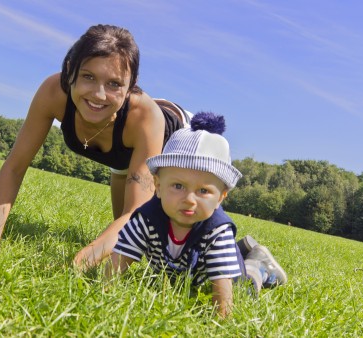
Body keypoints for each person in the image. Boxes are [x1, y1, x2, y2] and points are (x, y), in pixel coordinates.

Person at [0, 24, 190, 269]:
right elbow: (14, 167)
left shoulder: (145, 119)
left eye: (114, 84)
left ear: (131, 85)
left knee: (173, 251)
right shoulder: (53, 92)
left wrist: (77, 265)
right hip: (125, 150)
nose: (99, 95)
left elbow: (135, 213)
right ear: (70, 71)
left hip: (177, 143)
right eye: (88, 77)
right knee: (127, 238)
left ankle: (246, 260)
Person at [105, 112, 287, 318]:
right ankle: (242, 248)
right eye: (178, 186)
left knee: (244, 286)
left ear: (220, 198)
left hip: (221, 274)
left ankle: (258, 265)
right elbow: (119, 259)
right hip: (180, 274)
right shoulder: (146, 219)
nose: (190, 199)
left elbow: (223, 299)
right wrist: (106, 295)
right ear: (157, 185)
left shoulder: (217, 231)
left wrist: (219, 323)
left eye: (203, 191)